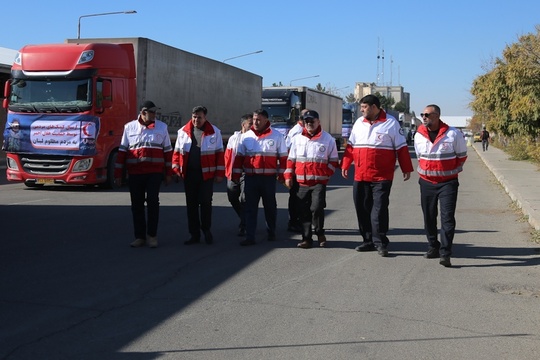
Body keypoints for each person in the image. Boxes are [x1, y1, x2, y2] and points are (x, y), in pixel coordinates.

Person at [341, 94, 413, 257]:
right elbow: (351, 146)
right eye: (361, 107)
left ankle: (380, 242)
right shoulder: (359, 123)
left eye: (364, 107)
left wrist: (406, 168)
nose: (361, 110)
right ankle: (367, 240)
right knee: (362, 209)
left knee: (378, 210)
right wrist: (345, 164)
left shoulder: (390, 123)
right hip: (360, 175)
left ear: (374, 107)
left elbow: (401, 147)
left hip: (382, 177)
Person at [414, 104, 468, 267]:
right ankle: (433, 246)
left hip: (448, 183)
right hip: (426, 183)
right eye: (422, 114)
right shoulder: (419, 135)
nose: (424, 117)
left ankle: (445, 253)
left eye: (427, 115)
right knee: (429, 217)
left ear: (437, 116)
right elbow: (419, 155)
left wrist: (449, 171)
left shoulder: (453, 134)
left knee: (447, 218)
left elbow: (462, 155)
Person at [115, 100, 173, 248]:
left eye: (155, 112)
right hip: (135, 173)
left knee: (153, 202)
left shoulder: (162, 127)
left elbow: (167, 152)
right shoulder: (129, 128)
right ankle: (139, 236)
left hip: (154, 173)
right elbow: (122, 152)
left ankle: (152, 236)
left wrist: (168, 174)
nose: (154, 114)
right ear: (143, 113)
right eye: (151, 112)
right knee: (137, 205)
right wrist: (118, 175)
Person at [232, 109, 288, 246]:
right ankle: (250, 236)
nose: (255, 122)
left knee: (270, 206)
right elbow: (239, 159)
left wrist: (282, 176)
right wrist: (235, 175)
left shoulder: (277, 136)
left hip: (268, 179)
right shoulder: (246, 137)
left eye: (258, 120)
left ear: (266, 120)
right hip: (251, 178)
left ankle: (271, 232)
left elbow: (284, 159)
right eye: (254, 119)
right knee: (250, 207)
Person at [285, 110, 339, 249]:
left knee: (316, 208)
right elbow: (291, 159)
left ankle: (320, 232)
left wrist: (326, 174)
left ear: (318, 122)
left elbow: (333, 161)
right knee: (303, 211)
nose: (309, 124)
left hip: (318, 182)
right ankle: (306, 239)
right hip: (301, 182)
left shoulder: (328, 139)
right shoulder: (297, 139)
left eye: (312, 121)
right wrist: (288, 176)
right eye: (306, 121)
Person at [172, 105, 224, 245]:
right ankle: (194, 234)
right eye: (194, 117)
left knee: (206, 202)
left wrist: (220, 174)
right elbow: (177, 153)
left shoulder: (214, 132)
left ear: (205, 117)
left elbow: (220, 155)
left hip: (206, 174)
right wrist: (176, 170)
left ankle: (206, 230)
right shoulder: (183, 131)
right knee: (191, 205)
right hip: (189, 174)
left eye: (199, 117)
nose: (196, 120)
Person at [224, 113, 253, 236]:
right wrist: (228, 172)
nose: (253, 126)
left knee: (244, 199)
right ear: (243, 125)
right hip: (233, 172)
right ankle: (244, 218)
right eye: (250, 124)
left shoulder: (254, 138)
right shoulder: (233, 138)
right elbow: (227, 157)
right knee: (232, 197)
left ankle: (245, 225)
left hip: (247, 173)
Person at [284, 108, 308, 233]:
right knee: (296, 197)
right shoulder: (297, 131)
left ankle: (297, 221)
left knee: (298, 197)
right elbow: (291, 151)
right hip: (296, 169)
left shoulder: (300, 130)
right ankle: (294, 222)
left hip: (300, 169)